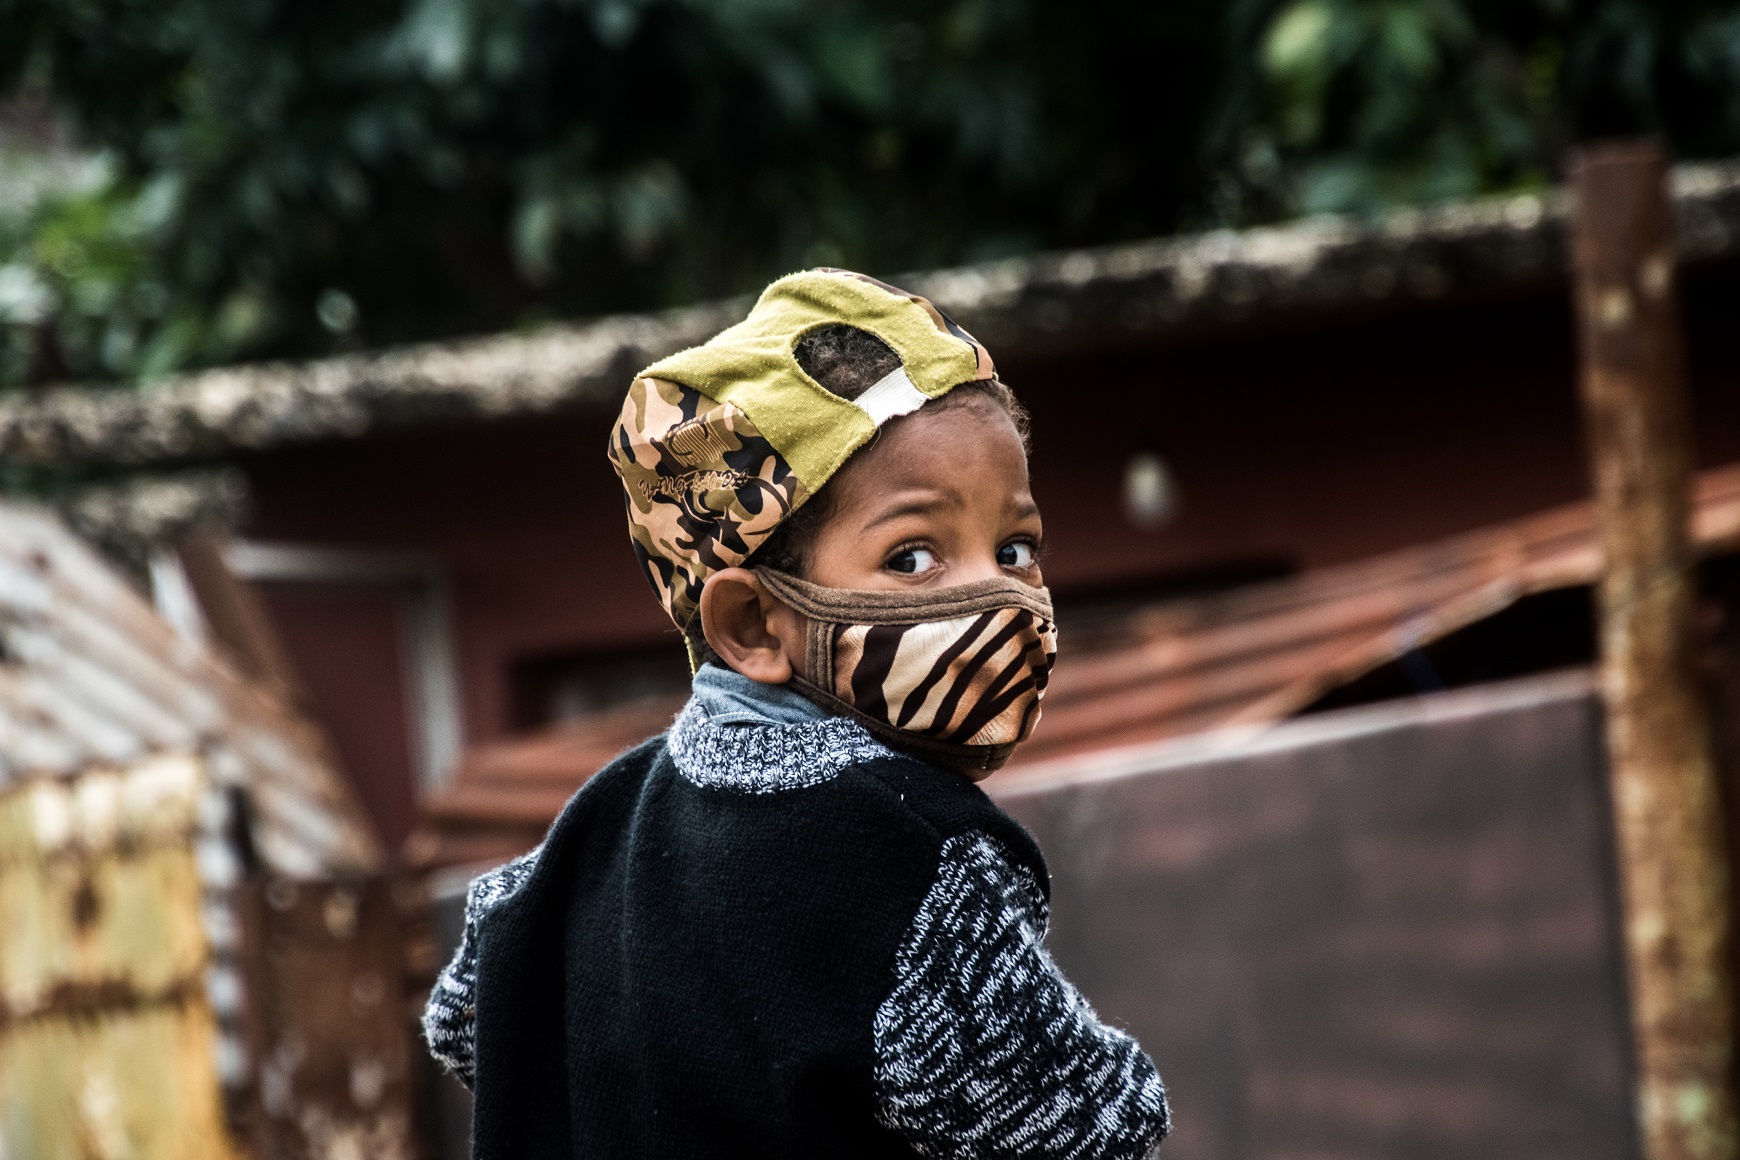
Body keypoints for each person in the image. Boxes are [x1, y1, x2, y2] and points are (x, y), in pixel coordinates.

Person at [423, 269, 1170, 1158]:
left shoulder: (600, 821)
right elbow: (1090, 1130)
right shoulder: (905, 849)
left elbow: (464, 1012)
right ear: (751, 625)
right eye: (914, 557)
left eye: (1015, 548)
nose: (1001, 597)